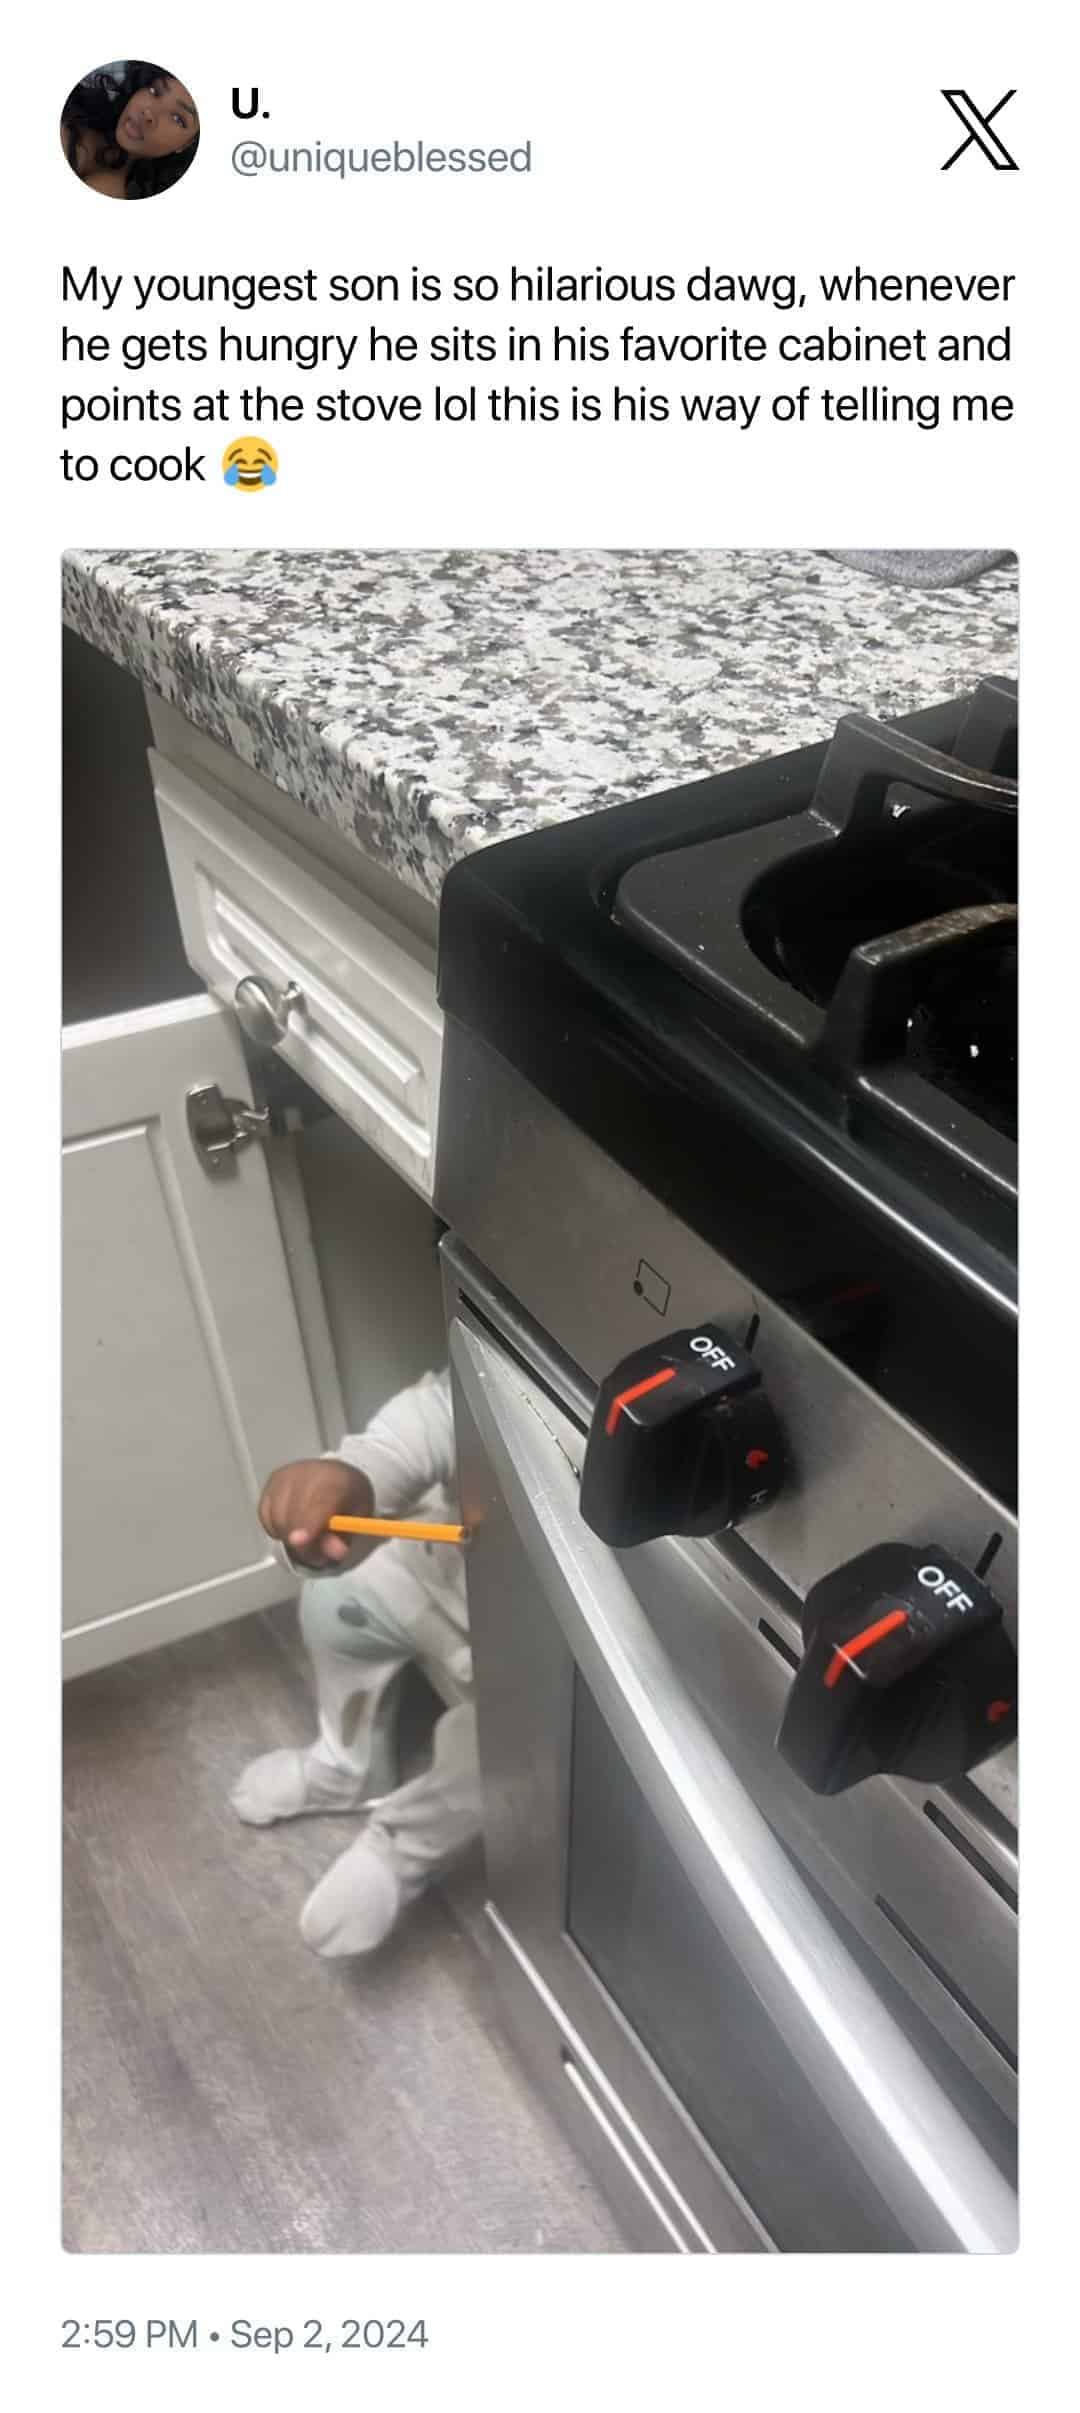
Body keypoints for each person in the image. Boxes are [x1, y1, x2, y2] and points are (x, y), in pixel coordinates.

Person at [232, 1369, 482, 1958]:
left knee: (514, 1751)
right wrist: (346, 1483)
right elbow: (423, 1426)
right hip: (444, 1574)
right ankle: (346, 1767)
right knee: (334, 1602)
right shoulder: (495, 1367)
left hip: (540, 1651)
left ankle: (402, 1847)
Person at [61, 62, 199, 198]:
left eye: (177, 118)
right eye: (154, 91)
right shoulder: (79, 109)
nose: (148, 113)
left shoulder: (111, 189)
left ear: (186, 144)